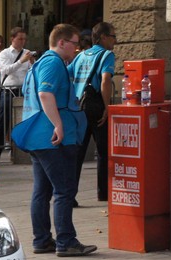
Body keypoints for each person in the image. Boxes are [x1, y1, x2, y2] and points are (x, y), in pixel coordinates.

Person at [21, 24, 95, 257]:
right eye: (74, 44)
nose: (76, 49)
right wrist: (58, 125)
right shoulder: (52, 63)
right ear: (61, 42)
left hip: (38, 137)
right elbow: (45, 94)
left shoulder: (41, 63)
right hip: (52, 138)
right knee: (64, 190)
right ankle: (66, 242)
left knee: (42, 191)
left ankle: (42, 240)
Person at [69, 22, 117, 203]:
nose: (115, 41)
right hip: (96, 105)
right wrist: (107, 106)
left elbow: (67, 74)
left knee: (78, 153)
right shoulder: (107, 55)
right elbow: (105, 81)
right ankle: (103, 193)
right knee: (103, 151)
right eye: (113, 36)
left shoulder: (81, 55)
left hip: (78, 106)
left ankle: (69, 195)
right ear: (103, 37)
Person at [0, 27, 36, 164]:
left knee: (24, 121)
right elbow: (5, 70)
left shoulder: (27, 53)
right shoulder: (4, 53)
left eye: (24, 39)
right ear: (12, 39)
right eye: (20, 38)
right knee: (2, 122)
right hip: (9, 90)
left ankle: (22, 152)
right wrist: (21, 61)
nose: (22, 41)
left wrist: (32, 62)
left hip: (24, 91)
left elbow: (32, 72)